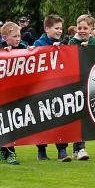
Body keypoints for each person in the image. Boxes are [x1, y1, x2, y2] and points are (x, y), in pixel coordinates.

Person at [33, 15, 70, 162]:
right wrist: (49, 50)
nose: (60, 31)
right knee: (42, 119)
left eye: (61, 28)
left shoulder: (64, 43)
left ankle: (62, 150)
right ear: (47, 28)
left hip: (59, 86)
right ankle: (41, 150)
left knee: (61, 118)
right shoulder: (39, 43)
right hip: (42, 88)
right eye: (56, 28)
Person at [66, 15, 95, 160]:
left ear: (91, 29)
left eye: (85, 28)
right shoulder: (73, 41)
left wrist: (90, 48)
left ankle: (79, 147)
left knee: (84, 116)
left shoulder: (94, 41)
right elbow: (68, 57)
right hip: (75, 83)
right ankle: (78, 147)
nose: (82, 31)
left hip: (89, 82)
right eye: (80, 28)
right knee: (76, 115)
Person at [0, 22, 25, 165]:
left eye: (19, 35)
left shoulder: (24, 48)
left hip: (18, 92)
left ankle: (4, 151)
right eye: (15, 36)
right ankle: (10, 152)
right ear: (5, 37)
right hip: (3, 94)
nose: (18, 39)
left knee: (14, 124)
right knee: (6, 123)